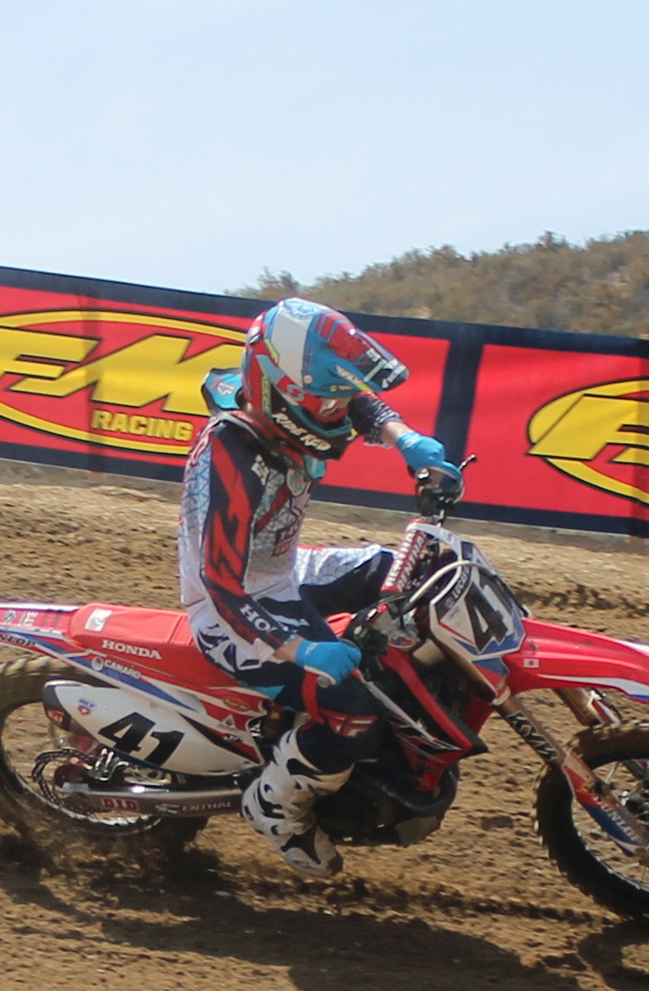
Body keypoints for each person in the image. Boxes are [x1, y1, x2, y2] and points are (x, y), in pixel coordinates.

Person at [177, 298, 460, 878]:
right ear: (280, 389)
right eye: (322, 400)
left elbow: (356, 398)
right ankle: (275, 807)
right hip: (233, 608)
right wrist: (300, 650)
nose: (335, 409)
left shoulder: (276, 398)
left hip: (285, 568)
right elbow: (220, 583)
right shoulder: (229, 459)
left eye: (335, 398)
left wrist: (404, 437)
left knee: (410, 572)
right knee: (353, 708)